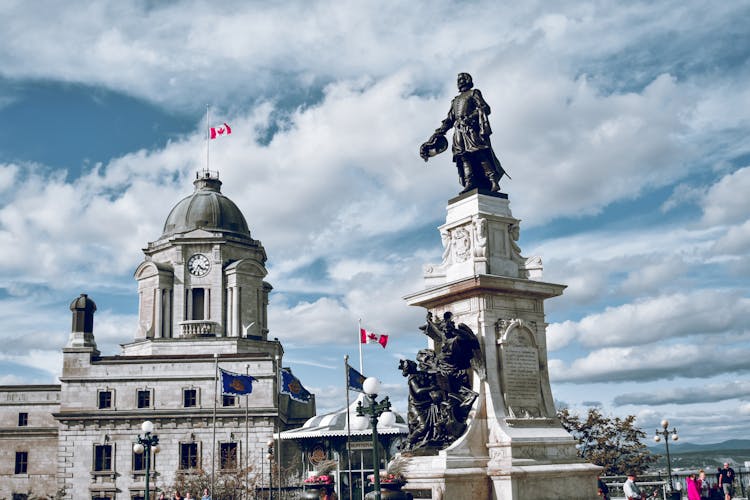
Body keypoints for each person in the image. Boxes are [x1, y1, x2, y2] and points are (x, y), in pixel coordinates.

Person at [420, 72, 508, 194]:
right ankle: (469, 182)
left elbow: (485, 108)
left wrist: (471, 117)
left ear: (468, 80)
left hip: (471, 130)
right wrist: (439, 132)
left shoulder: (474, 93)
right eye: (458, 80)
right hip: (459, 132)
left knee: (479, 153)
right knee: (463, 156)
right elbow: (450, 119)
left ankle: (493, 180)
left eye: (462, 79)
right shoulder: (455, 101)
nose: (460, 81)